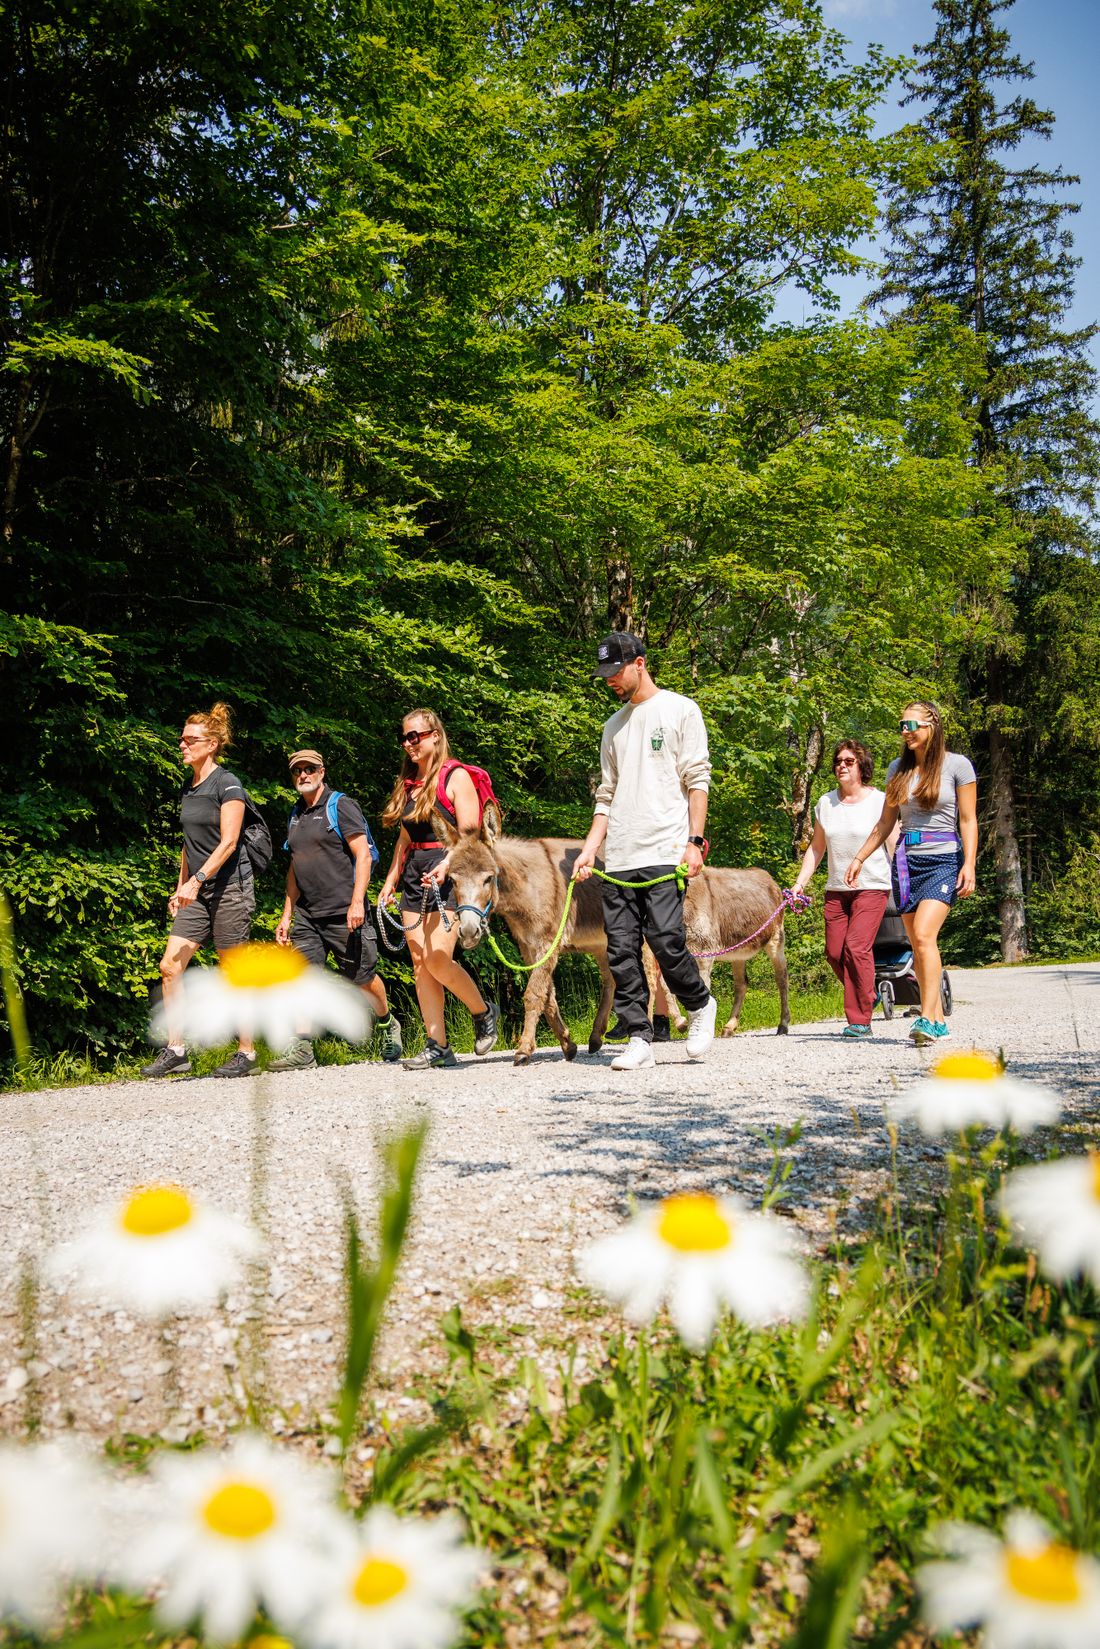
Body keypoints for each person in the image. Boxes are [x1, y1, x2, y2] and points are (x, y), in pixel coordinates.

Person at [573, 632, 717, 1070]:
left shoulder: (680, 710)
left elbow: (697, 780)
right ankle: (638, 1036)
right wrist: (589, 849)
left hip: (665, 850)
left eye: (615, 672)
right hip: (619, 857)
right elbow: (606, 797)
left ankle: (700, 1004)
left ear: (639, 663)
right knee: (620, 949)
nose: (610, 681)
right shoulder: (612, 727)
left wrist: (695, 842)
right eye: (605, 675)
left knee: (666, 941)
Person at [845, 701, 977, 1047]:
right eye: (902, 725)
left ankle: (927, 1018)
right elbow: (887, 821)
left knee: (922, 935)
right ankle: (938, 1018)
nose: (905, 731)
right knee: (920, 946)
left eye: (912, 725)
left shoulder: (958, 766)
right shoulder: (896, 770)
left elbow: (968, 820)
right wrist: (860, 858)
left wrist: (970, 863)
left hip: (944, 859)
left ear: (932, 725)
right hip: (905, 862)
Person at [378, 709, 499, 1070]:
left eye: (415, 736)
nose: (409, 743)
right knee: (419, 965)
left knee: (437, 958)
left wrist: (447, 866)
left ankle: (482, 1011)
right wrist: (389, 882)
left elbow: (471, 836)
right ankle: (438, 1044)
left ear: (434, 736)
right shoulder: (410, 782)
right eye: (404, 737)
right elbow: (404, 837)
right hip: (414, 874)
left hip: (451, 874)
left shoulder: (455, 776)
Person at [142, 702, 257, 1079]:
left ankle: (247, 1052)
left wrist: (197, 881)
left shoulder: (228, 784)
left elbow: (228, 843)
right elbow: (188, 845)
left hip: (229, 888)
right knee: (169, 966)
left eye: (190, 739)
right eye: (182, 738)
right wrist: (181, 888)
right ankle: (176, 1050)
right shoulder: (188, 788)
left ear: (211, 744)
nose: (182, 744)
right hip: (196, 891)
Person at [271, 750, 403, 1069]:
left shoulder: (340, 805)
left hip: (344, 910)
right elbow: (294, 868)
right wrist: (287, 914)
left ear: (322, 771)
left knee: (360, 977)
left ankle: (387, 1022)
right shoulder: (296, 814)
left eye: (309, 769)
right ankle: (303, 1050)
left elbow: (364, 855)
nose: (303, 775)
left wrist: (358, 902)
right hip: (307, 914)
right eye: (297, 771)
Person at [791, 739, 894, 1040]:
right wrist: (799, 884)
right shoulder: (826, 803)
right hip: (836, 888)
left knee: (856, 947)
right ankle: (867, 993)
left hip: (872, 885)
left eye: (849, 761)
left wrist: (905, 879)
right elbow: (817, 848)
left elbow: (893, 843)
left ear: (862, 766)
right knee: (835, 952)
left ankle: (860, 1019)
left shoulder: (880, 801)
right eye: (838, 761)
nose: (842, 766)